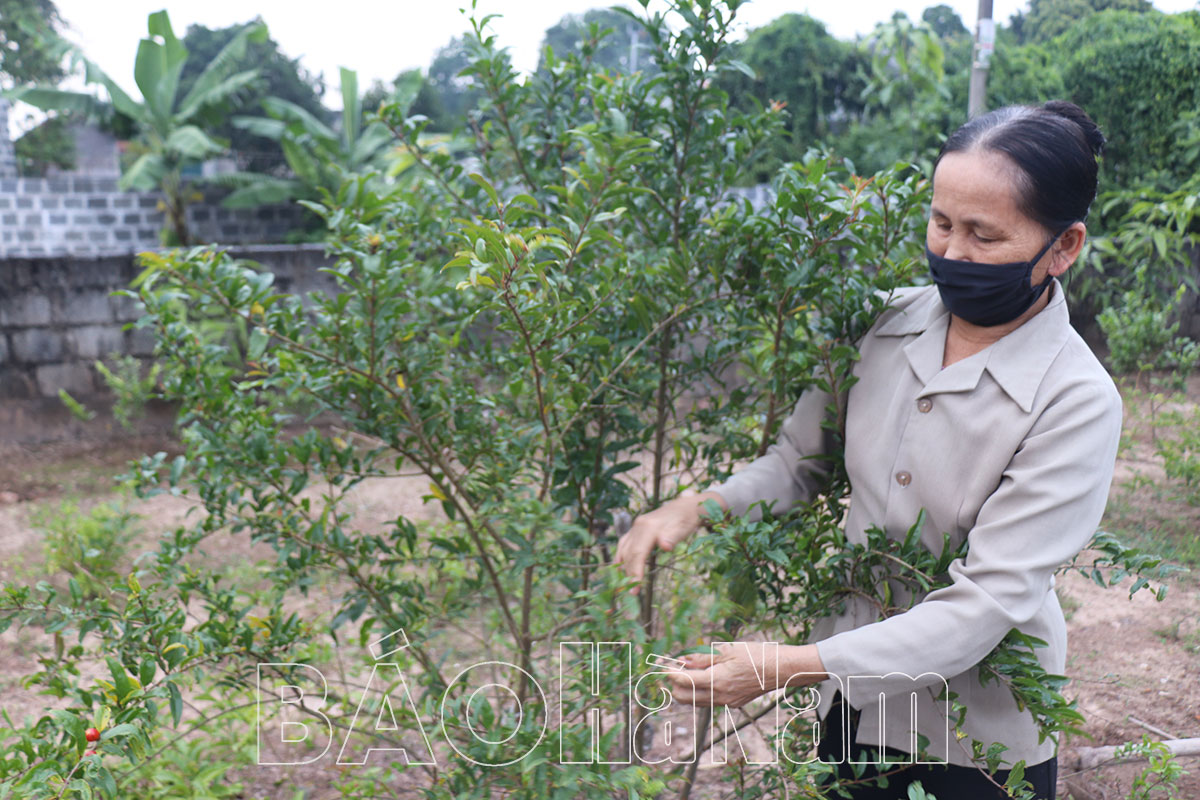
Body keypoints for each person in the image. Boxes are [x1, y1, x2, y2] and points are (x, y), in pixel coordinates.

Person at [614, 100, 1122, 800]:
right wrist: (697, 506)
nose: (953, 252)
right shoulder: (881, 323)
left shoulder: (1075, 400)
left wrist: (788, 666)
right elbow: (799, 463)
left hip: (975, 742)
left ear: (1063, 246)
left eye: (983, 234)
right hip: (850, 708)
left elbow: (984, 604)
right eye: (941, 223)